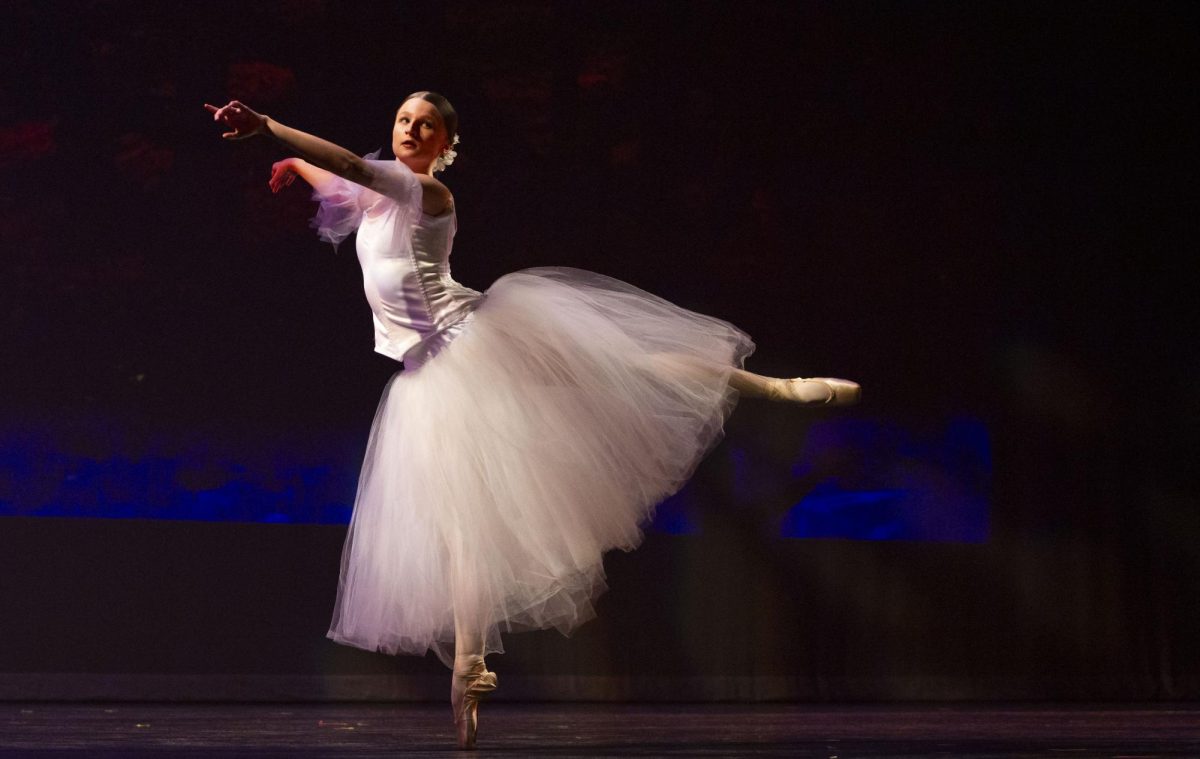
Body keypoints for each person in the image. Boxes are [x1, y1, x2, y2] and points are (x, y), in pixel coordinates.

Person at [205, 92, 859, 749]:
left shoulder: (428, 195)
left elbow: (349, 162)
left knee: (620, 363)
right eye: (404, 120)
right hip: (425, 375)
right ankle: (468, 665)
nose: (411, 130)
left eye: (426, 125)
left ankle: (776, 386)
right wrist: (293, 161)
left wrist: (268, 128)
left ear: (443, 145)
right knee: (463, 525)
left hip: (475, 341)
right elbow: (345, 174)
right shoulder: (379, 195)